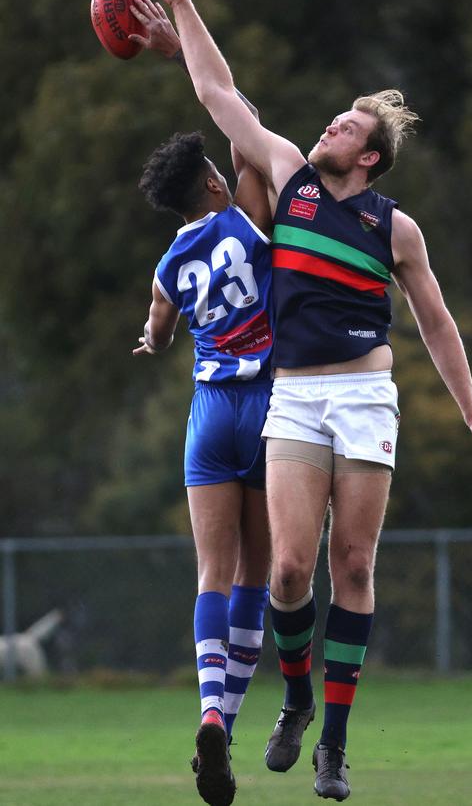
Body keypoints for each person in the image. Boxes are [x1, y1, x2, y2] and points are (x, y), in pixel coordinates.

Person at [127, 0, 472, 800]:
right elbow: (218, 94)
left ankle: (335, 744)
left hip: (365, 394)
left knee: (352, 564)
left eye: (346, 127)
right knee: (284, 573)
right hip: (297, 395)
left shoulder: (397, 229)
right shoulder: (291, 179)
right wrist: (185, 3)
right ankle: (298, 696)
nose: (329, 128)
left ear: (370, 157)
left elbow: (436, 320)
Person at [134, 126, 273, 806]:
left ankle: (211, 710)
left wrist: (149, 339)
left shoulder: (167, 265)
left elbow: (157, 334)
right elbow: (242, 122)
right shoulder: (245, 211)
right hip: (271, 406)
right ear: (214, 182)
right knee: (258, 572)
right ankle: (230, 717)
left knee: (212, 573)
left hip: (210, 411)